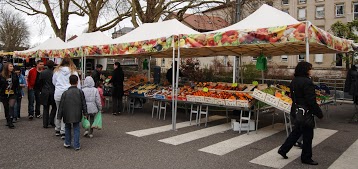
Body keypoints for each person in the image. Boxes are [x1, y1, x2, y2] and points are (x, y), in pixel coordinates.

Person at [278, 61, 323, 165]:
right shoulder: (307, 82)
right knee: (308, 135)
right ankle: (306, 158)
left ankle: (283, 149)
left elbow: (293, 97)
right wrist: (319, 113)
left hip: (296, 110)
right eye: (310, 68)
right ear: (306, 70)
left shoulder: (294, 81)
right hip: (305, 112)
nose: (311, 70)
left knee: (297, 131)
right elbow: (311, 101)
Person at [57, 75, 87, 150]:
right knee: (76, 128)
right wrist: (85, 113)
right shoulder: (80, 92)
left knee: (67, 127)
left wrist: (59, 116)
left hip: (67, 113)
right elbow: (84, 103)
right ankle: (76, 145)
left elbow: (61, 105)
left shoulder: (65, 93)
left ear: (69, 82)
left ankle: (67, 142)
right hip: (77, 112)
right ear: (77, 82)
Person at [53, 57, 81, 139]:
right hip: (69, 93)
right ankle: (63, 131)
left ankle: (57, 128)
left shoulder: (56, 71)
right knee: (66, 112)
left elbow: (54, 82)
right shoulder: (73, 71)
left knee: (58, 110)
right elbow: (78, 84)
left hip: (58, 93)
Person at [0, 63, 19, 128]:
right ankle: (8, 119)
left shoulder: (14, 75)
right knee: (6, 107)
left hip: (12, 93)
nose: (12, 67)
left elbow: (17, 84)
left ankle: (11, 121)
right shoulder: (1, 75)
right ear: (6, 67)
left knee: (11, 106)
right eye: (10, 66)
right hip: (3, 94)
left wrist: (18, 92)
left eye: (12, 66)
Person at [39, 60, 56, 128]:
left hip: (45, 91)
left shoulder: (43, 73)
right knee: (54, 107)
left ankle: (45, 123)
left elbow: (40, 82)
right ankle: (51, 120)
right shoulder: (55, 73)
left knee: (45, 108)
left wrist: (41, 89)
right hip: (53, 91)